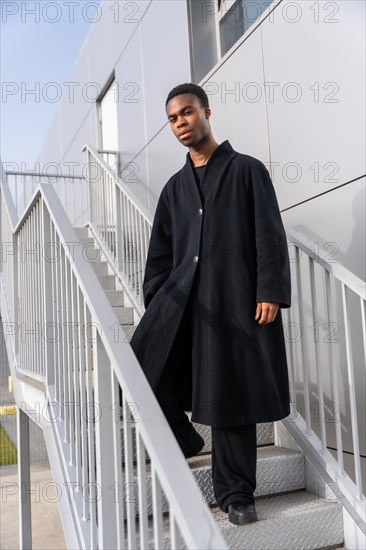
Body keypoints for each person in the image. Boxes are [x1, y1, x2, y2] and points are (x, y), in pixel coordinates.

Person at [130, 83, 291, 526]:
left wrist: (269, 289)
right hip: (183, 304)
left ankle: (236, 494)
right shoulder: (174, 189)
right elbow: (159, 255)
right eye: (173, 118)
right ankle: (183, 437)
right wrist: (161, 300)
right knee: (139, 364)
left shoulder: (247, 171)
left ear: (207, 112)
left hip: (236, 302)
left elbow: (269, 234)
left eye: (187, 113)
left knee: (230, 395)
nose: (181, 123)